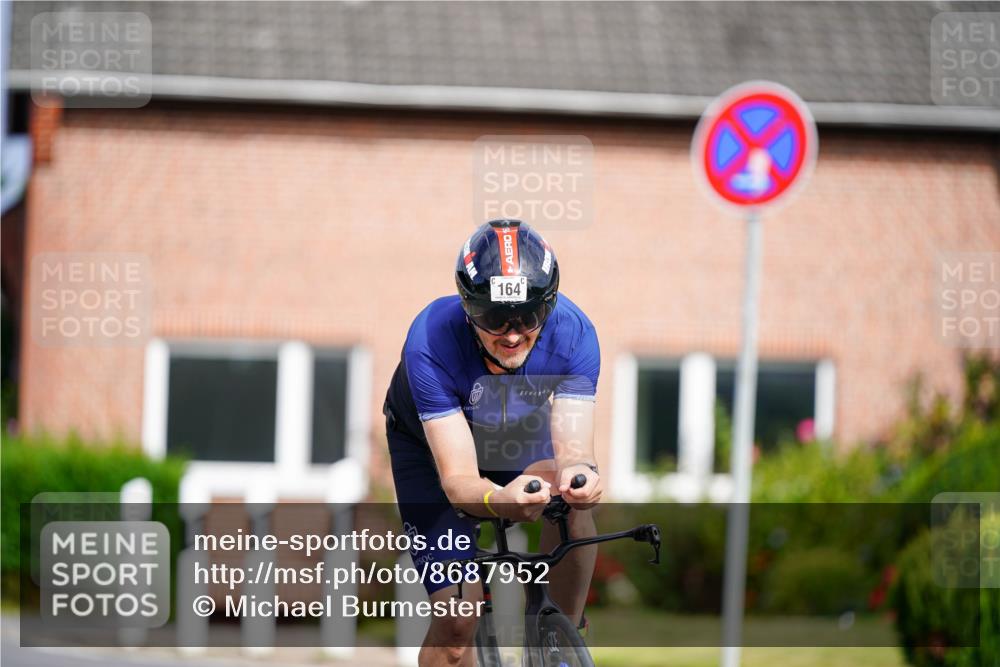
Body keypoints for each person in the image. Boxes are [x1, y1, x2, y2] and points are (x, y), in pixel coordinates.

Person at [383, 219, 603, 666]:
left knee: (574, 506)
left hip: (513, 432)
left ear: (551, 304)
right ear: (468, 310)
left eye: (529, 316)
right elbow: (459, 478)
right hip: (430, 451)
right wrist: (500, 499)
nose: (513, 333)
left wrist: (582, 477)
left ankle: (559, 640)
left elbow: (575, 451)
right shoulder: (429, 340)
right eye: (494, 318)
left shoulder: (575, 334)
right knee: (456, 623)